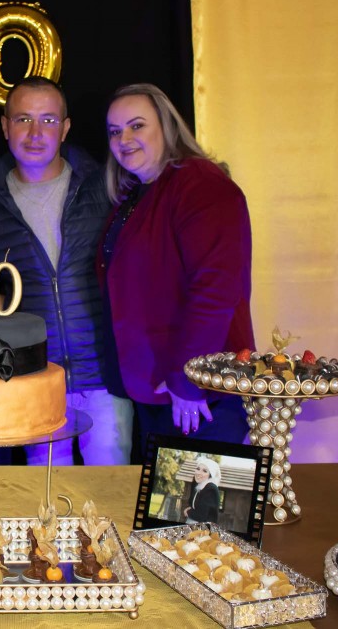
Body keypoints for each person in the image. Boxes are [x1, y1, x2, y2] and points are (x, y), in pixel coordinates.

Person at [0, 76, 133, 467]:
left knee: (110, 493)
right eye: (23, 119)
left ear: (65, 128)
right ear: (5, 126)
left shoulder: (105, 186)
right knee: (45, 497)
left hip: (103, 378)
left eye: (48, 120)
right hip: (36, 380)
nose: (35, 133)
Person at [100, 83, 252, 448]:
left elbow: (215, 289)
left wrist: (189, 381)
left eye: (137, 126)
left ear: (167, 126)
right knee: (168, 489)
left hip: (200, 394)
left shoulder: (200, 184)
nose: (124, 139)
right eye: (115, 131)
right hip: (158, 391)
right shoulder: (139, 193)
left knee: (202, 487)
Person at [184, 457, 222, 523]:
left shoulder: (211, 489)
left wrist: (187, 511)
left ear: (210, 475)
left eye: (204, 471)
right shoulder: (200, 486)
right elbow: (194, 505)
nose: (199, 473)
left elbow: (201, 516)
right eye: (198, 469)